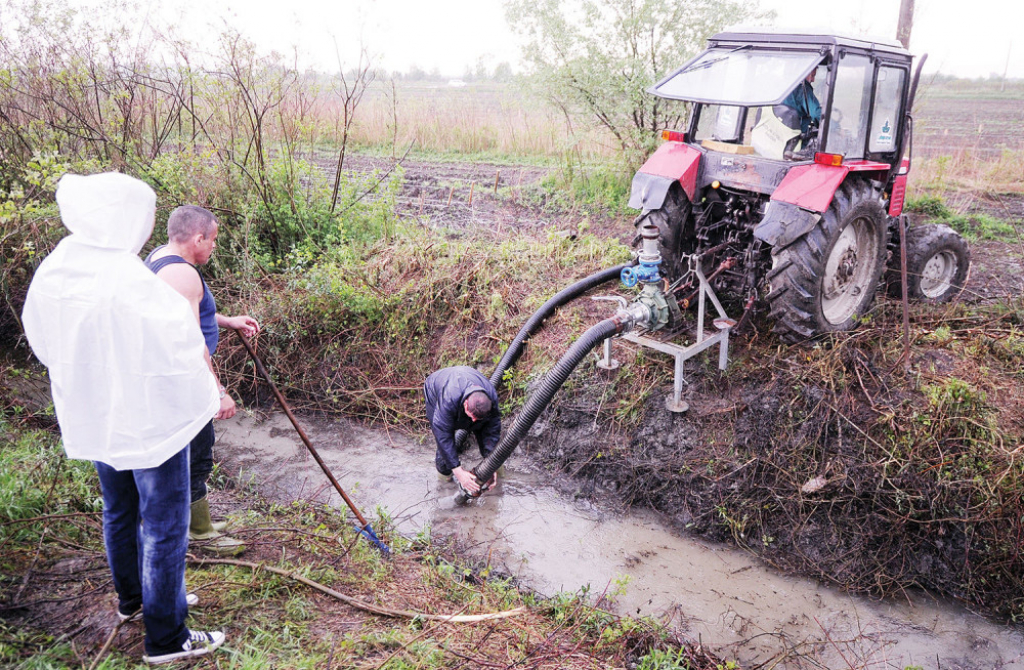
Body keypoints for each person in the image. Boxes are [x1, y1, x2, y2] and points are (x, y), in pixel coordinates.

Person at [21, 172, 226, 664]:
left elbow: (41, 338)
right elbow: (178, 346)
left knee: (119, 511)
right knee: (164, 523)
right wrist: (208, 395)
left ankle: (138, 601)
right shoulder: (126, 276)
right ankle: (167, 636)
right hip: (151, 423)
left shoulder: (62, 267)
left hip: (97, 414)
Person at [144, 205, 259, 556]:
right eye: (212, 240)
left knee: (193, 451)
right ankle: (200, 531)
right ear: (197, 238)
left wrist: (227, 321)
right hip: (184, 379)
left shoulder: (159, 257)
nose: (213, 247)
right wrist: (218, 391)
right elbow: (193, 344)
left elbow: (190, 309)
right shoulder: (184, 276)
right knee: (197, 453)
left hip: (167, 375)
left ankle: (197, 521)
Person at [424, 366, 502, 494]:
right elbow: (443, 436)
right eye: (471, 416)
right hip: (435, 389)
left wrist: (491, 463)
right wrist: (458, 471)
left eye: (477, 418)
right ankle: (445, 481)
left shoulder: (490, 398)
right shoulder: (448, 400)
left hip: (466, 383)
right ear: (465, 403)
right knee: (445, 452)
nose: (473, 421)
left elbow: (492, 430)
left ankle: (496, 478)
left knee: (482, 427)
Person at [780, 68, 822, 136]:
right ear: (805, 73)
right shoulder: (803, 89)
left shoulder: (788, 85)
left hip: (782, 129)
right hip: (797, 135)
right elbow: (816, 114)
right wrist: (833, 127)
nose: (813, 80)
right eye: (813, 76)